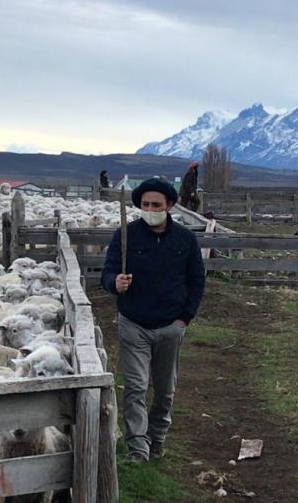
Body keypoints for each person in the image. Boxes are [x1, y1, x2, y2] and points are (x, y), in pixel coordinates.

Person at [101, 178, 205, 462]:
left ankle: (157, 437)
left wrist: (184, 318)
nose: (150, 209)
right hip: (134, 323)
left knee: (165, 390)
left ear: (169, 205)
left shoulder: (185, 239)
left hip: (170, 326)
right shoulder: (126, 235)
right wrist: (115, 283)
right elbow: (107, 272)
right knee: (135, 387)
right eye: (145, 204)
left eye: (156, 205)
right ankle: (138, 447)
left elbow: (197, 281)